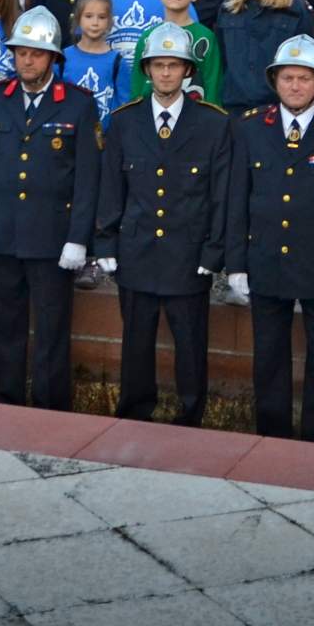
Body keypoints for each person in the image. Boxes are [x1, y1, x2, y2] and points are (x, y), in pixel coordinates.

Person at [227, 33, 314, 442]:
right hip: (267, 260)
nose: (295, 86)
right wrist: (236, 263)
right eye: (287, 78)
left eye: (304, 78)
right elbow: (237, 199)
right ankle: (270, 437)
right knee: (268, 357)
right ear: (275, 81)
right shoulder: (251, 128)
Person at [0, 8, 101, 410]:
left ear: (54, 57)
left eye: (37, 54)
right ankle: (6, 402)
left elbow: (88, 178)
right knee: (5, 327)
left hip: (52, 239)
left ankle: (51, 409)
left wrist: (78, 239)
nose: (27, 60)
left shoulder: (77, 105)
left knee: (52, 331)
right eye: (21, 53)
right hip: (2, 233)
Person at [96, 21, 233, 424]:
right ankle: (135, 413)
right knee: (136, 343)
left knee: (191, 345)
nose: (166, 73)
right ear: (147, 70)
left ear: (188, 70)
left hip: (188, 253)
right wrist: (105, 242)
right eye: (158, 65)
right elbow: (112, 187)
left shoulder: (213, 124)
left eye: (174, 65)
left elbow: (219, 194)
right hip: (137, 250)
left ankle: (191, 416)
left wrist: (214, 249)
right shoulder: (124, 121)